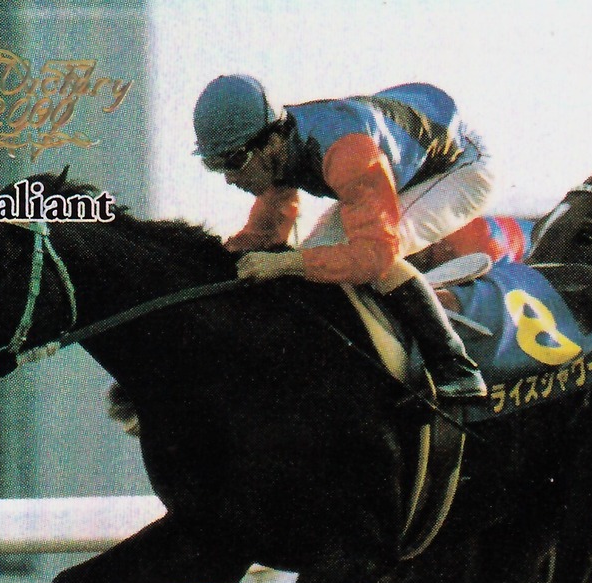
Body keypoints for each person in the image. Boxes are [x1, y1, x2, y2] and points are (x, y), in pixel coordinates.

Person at [193, 75, 490, 399]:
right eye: (216, 165)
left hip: (461, 166)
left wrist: (286, 263)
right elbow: (264, 234)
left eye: (236, 161)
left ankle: (455, 366)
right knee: (316, 254)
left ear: (272, 142)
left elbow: (375, 255)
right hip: (402, 147)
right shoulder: (277, 147)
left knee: (362, 257)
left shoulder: (344, 152)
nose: (230, 178)